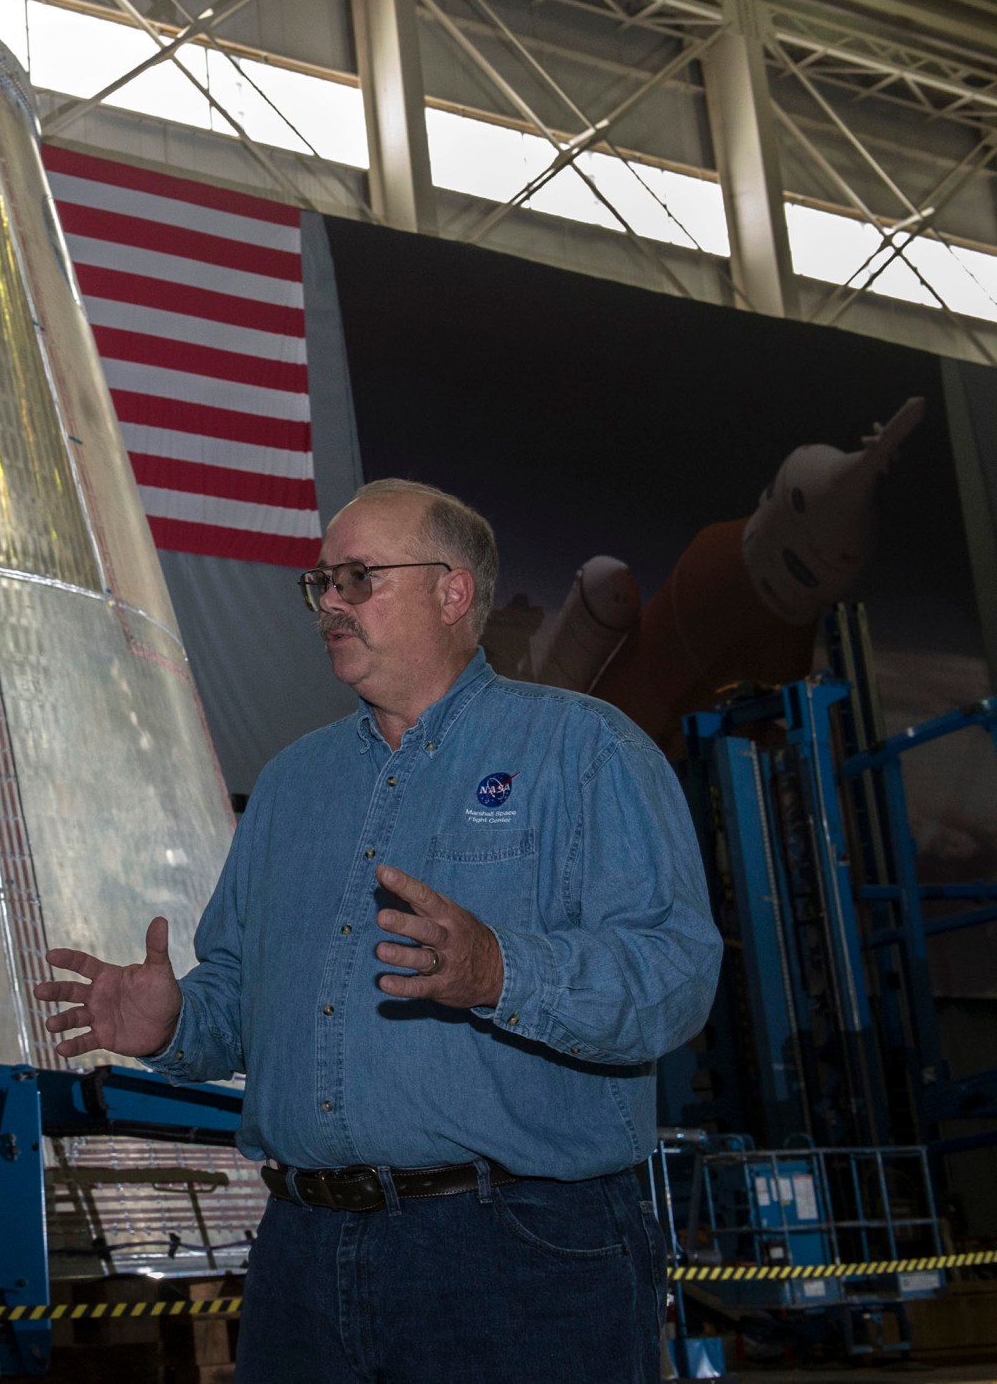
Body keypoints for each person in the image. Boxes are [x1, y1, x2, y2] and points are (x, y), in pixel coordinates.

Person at [36, 478, 721, 1383]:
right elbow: (243, 993)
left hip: (517, 1254)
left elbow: (676, 975)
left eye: (358, 577)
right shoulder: (289, 786)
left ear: (453, 591)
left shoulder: (585, 751)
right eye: (319, 583)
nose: (329, 602)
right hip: (301, 1256)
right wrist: (174, 1024)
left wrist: (499, 969)